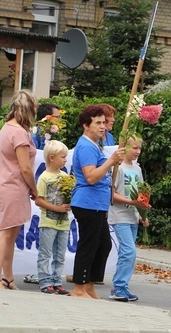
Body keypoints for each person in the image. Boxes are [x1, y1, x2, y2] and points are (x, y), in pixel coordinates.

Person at [68, 105, 125, 298]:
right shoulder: (85, 146)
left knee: (103, 244)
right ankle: (78, 287)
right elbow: (91, 177)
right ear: (86, 125)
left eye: (104, 123)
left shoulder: (95, 145)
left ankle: (90, 285)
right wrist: (111, 161)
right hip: (87, 203)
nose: (103, 127)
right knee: (89, 245)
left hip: (98, 204)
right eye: (98, 123)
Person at [0, 89, 39, 290]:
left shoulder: (7, 128)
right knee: (5, 232)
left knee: (10, 233)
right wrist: (34, 190)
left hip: (6, 184)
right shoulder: (18, 132)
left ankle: (7, 276)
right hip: (14, 186)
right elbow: (25, 167)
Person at [108, 135, 150, 302]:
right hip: (119, 216)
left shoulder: (137, 169)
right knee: (129, 251)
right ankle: (118, 286)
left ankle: (121, 287)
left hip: (132, 216)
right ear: (124, 148)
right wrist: (131, 202)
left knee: (129, 253)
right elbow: (111, 194)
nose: (137, 152)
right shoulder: (118, 168)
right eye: (134, 148)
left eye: (139, 148)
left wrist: (142, 213)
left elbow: (140, 193)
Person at [35, 140, 71, 295]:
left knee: (60, 254)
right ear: (51, 157)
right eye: (62, 157)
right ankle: (44, 280)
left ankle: (57, 280)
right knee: (45, 253)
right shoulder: (44, 177)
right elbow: (39, 199)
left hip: (63, 223)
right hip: (48, 222)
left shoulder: (65, 176)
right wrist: (57, 208)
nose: (65, 160)